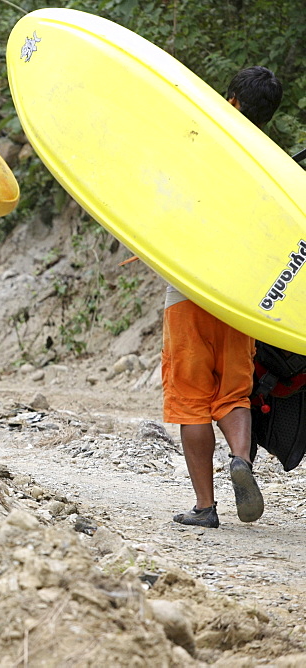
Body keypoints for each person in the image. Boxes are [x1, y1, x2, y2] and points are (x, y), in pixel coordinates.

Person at [168, 65, 283, 529]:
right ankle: (241, 459)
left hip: (189, 287)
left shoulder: (199, 146)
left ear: (232, 100)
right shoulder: (274, 165)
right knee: (234, 392)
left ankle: (204, 506)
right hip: (241, 295)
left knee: (191, 398)